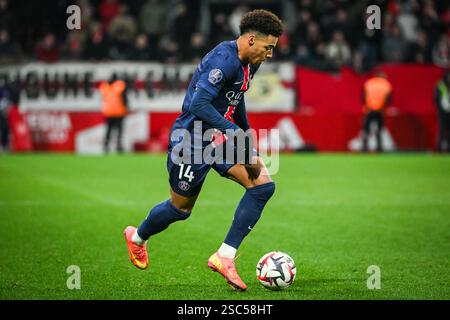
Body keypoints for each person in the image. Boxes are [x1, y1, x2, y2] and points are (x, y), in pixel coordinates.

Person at [123, 9, 283, 291]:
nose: (270, 54)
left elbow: (237, 97)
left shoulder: (250, 62)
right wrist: (233, 131)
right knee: (180, 209)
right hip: (191, 142)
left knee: (262, 185)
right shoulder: (223, 61)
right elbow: (198, 105)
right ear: (249, 40)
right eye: (268, 47)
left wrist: (245, 135)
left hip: (220, 139)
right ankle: (137, 238)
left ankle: (224, 256)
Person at [361, 71, 393, 152]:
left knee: (366, 130)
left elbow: (363, 96)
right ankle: (379, 148)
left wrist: (367, 106)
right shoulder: (386, 84)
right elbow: (388, 98)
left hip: (369, 109)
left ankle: (364, 147)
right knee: (379, 130)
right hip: (380, 110)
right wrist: (384, 108)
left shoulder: (369, 83)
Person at [99, 74, 128, 153]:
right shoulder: (120, 86)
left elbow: (103, 98)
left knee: (108, 130)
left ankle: (106, 145)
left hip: (108, 112)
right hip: (119, 111)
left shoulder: (104, 86)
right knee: (119, 130)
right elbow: (124, 98)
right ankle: (119, 146)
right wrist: (126, 108)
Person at [435, 71, 450, 152]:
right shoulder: (441, 86)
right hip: (443, 113)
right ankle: (440, 148)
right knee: (442, 131)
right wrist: (440, 111)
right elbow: (436, 99)